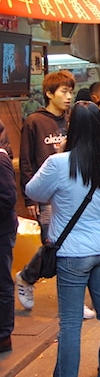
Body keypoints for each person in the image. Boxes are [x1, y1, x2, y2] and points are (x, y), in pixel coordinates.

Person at [25, 101, 100, 377]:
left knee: (71, 324)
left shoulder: (59, 164)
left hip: (71, 253)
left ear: (71, 128)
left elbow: (33, 192)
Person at [16, 71, 85, 312]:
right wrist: (30, 197)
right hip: (46, 195)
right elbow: (26, 160)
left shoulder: (72, 120)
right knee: (53, 246)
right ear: (49, 93)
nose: (69, 97)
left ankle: (71, 302)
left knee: (70, 246)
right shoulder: (35, 121)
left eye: (71, 92)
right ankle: (27, 277)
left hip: (72, 191)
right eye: (64, 92)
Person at [0, 146, 17, 353]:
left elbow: (7, 198)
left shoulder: (1, 159)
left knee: (2, 283)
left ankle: (3, 336)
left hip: (2, 232)